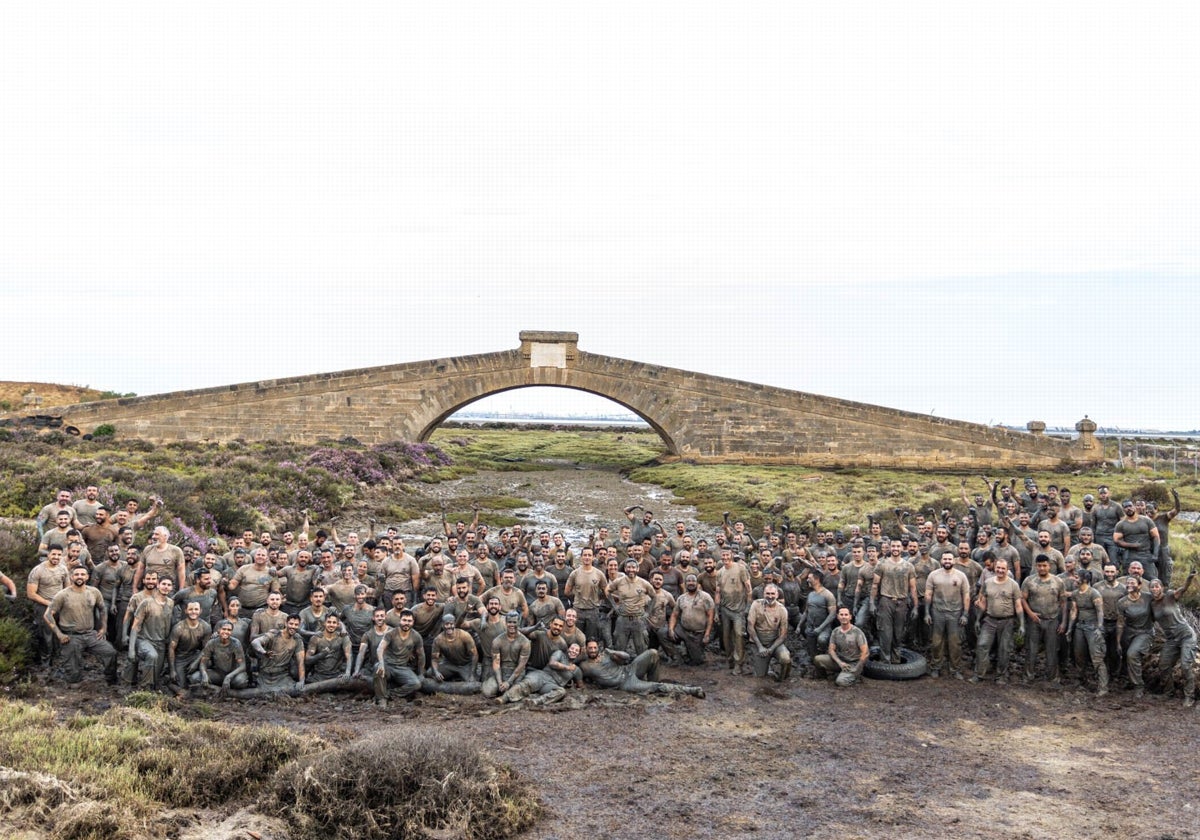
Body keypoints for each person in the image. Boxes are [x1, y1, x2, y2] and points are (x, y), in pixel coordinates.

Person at [44, 565, 117, 685]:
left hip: (90, 634)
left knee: (110, 652)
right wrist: (59, 634)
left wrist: (103, 628)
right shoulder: (62, 595)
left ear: (87, 577)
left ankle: (111, 680)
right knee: (73, 675)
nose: (80, 577)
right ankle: (73, 684)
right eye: (76, 574)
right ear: (72, 577)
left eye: (83, 574)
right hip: (71, 636)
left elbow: (103, 609)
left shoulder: (94, 592)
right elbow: (47, 615)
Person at [578, 640, 704, 698]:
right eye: (590, 648)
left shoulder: (606, 654)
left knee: (652, 653)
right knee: (656, 687)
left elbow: (626, 657)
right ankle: (692, 690)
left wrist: (613, 652)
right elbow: (574, 672)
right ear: (586, 649)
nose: (593, 650)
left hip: (629, 669)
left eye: (595, 647)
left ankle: (654, 682)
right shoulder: (585, 665)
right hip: (625, 683)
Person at [970, 559, 1024, 685]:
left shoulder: (1013, 585)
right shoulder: (988, 583)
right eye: (998, 568)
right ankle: (979, 674)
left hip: (1007, 621)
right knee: (982, 645)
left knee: (1004, 649)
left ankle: (1001, 675)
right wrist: (978, 620)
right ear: (995, 568)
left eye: (1003, 569)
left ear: (1007, 570)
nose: (1000, 571)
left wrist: (1022, 624)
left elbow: (1018, 605)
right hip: (989, 619)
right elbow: (983, 602)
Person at [1148, 572, 1197, 707]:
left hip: (1186, 635)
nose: (1154, 589)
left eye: (1157, 586)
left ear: (1162, 588)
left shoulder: (1170, 596)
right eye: (1152, 587)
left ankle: (1189, 696)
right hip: (1171, 640)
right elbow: (1150, 620)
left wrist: (1189, 578)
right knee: (1164, 665)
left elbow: (1183, 589)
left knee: (1186, 666)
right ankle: (1168, 692)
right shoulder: (1152, 605)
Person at [1020, 555, 1066, 685]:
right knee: (1031, 649)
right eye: (1039, 565)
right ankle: (1028, 676)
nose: (1042, 568)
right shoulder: (1029, 581)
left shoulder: (1058, 581)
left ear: (1049, 566)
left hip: (1052, 620)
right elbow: (1022, 598)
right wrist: (1030, 613)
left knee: (1052, 650)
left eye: (1044, 565)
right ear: (1036, 566)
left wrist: (1063, 622)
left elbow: (1063, 602)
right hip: (1035, 620)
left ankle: (1052, 677)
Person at [924, 550, 970, 679]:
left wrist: (965, 614)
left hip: (955, 614)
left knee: (955, 643)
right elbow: (928, 595)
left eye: (950, 559)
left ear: (954, 561)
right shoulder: (933, 575)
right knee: (936, 642)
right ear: (941, 560)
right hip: (938, 612)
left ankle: (955, 669)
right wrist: (927, 613)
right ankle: (936, 667)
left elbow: (966, 596)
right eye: (945, 559)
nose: (947, 562)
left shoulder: (961, 576)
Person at [870, 540, 917, 664]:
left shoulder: (908, 566)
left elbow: (913, 588)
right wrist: (871, 603)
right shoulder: (882, 564)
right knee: (885, 632)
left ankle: (896, 660)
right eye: (893, 546)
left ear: (902, 548)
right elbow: (875, 585)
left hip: (902, 602)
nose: (895, 548)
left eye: (898, 546)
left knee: (898, 633)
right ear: (890, 548)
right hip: (886, 601)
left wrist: (916, 606)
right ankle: (885, 660)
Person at [1065, 570, 1108, 696]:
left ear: (1084, 579)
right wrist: (1069, 628)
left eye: (1077, 577)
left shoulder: (1094, 593)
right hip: (1080, 627)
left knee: (1097, 657)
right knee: (1079, 655)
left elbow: (1100, 611)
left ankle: (1103, 687)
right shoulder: (1075, 594)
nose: (1074, 579)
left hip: (1092, 627)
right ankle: (1081, 681)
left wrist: (1100, 628)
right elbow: (1074, 612)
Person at [127, 577, 175, 689]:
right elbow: (135, 626)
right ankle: (144, 689)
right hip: (144, 639)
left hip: (161, 643)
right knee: (152, 656)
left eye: (169, 585)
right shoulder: (146, 603)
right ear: (158, 585)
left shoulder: (171, 603)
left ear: (172, 588)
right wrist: (131, 650)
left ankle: (149, 685)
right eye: (163, 584)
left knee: (156, 676)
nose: (166, 587)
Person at [374, 609, 424, 707]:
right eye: (404, 620)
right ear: (400, 620)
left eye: (409, 621)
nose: (406, 623)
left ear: (413, 622)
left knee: (416, 684)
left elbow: (421, 655)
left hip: (402, 667)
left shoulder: (416, 636)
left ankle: (389, 694)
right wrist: (381, 663)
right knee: (377, 669)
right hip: (388, 665)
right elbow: (380, 648)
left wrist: (421, 673)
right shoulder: (391, 633)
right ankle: (381, 700)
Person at [1116, 577, 1155, 698]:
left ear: (1139, 585)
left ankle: (1139, 686)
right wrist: (1118, 641)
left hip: (1145, 632)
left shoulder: (1148, 597)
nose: (1129, 585)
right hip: (1129, 632)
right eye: (1127, 583)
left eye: (1132, 583)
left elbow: (1161, 605)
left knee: (1132, 654)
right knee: (1125, 656)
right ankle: (1128, 679)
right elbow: (1120, 623)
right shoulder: (1122, 602)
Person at [714, 548, 752, 674]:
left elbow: (748, 588)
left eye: (727, 554)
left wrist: (748, 606)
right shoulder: (719, 572)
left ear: (732, 555)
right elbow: (718, 592)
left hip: (739, 609)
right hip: (725, 609)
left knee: (739, 635)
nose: (725, 557)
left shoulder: (740, 568)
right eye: (723, 554)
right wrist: (716, 611)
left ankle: (738, 663)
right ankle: (729, 658)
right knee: (726, 636)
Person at [606, 558, 654, 656]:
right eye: (629, 567)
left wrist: (648, 612)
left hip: (638, 619)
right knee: (619, 647)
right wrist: (615, 606)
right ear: (625, 568)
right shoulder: (618, 581)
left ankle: (641, 669)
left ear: (637, 569)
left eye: (633, 567)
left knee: (641, 648)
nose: (631, 569)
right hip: (623, 619)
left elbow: (654, 597)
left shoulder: (644, 583)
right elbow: (607, 592)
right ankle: (619, 668)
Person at [812, 608, 869, 687]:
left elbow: (865, 653)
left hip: (853, 663)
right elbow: (831, 650)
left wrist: (857, 668)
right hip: (840, 662)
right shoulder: (836, 631)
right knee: (818, 659)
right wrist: (840, 663)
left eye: (846, 615)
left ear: (850, 617)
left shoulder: (857, 632)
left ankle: (855, 677)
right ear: (838, 617)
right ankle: (822, 677)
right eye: (841, 615)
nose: (844, 617)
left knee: (840, 682)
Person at [747, 583, 792, 681]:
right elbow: (750, 626)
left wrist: (771, 648)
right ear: (763, 594)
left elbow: (783, 634)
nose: (770, 596)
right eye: (768, 593)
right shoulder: (756, 605)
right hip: (759, 641)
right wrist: (760, 647)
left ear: (777, 595)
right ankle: (767, 668)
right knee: (760, 676)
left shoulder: (782, 610)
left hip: (774, 642)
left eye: (772, 594)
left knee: (785, 658)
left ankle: (783, 678)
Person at [251, 615, 306, 693]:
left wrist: (301, 680)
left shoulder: (297, 640)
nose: (293, 627)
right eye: (291, 624)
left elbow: (300, 662)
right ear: (286, 623)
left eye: (296, 625)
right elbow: (255, 642)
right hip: (267, 675)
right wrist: (264, 652)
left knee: (295, 691)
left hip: (282, 676)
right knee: (266, 694)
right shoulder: (275, 634)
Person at [668, 573, 714, 666]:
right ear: (685, 583)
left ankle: (692, 650)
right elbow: (674, 615)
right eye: (688, 581)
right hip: (683, 630)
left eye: (693, 581)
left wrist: (707, 634)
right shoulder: (681, 598)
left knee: (697, 661)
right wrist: (671, 629)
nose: (691, 583)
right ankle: (676, 656)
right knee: (662, 633)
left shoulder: (705, 597)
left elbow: (710, 616)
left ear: (697, 583)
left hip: (698, 633)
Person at [167, 601, 211, 695]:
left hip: (194, 655)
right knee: (180, 684)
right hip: (180, 658)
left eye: (196, 609)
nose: (193, 612)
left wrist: (196, 663)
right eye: (190, 609)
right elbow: (171, 649)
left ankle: (199, 682)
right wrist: (172, 669)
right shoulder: (179, 628)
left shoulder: (205, 627)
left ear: (200, 611)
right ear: (186, 611)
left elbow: (206, 649)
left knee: (209, 662)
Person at [194, 620, 249, 692]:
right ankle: (214, 688)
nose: (226, 632)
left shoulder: (236, 643)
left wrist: (228, 677)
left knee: (241, 682)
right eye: (224, 629)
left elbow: (242, 666)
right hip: (218, 673)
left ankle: (228, 688)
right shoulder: (212, 643)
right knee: (194, 678)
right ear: (219, 630)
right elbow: (203, 663)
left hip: (232, 674)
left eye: (229, 630)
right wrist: (204, 675)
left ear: (231, 632)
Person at [1113, 500, 1161, 579]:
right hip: (1129, 555)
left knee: (1151, 579)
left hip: (1146, 554)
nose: (1128, 508)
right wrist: (1132, 545)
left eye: (1130, 506)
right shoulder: (1120, 524)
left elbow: (1156, 536)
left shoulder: (1146, 520)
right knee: (1128, 579)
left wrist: (1155, 554)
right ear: (1123, 509)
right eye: (1126, 507)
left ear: (1134, 506)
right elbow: (1116, 540)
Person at [306, 613, 353, 683]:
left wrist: (347, 673)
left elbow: (349, 655)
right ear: (324, 623)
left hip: (337, 675)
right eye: (329, 622)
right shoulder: (316, 638)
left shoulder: (343, 637)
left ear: (338, 624)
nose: (331, 625)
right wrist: (320, 655)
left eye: (334, 623)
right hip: (319, 676)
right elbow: (307, 660)